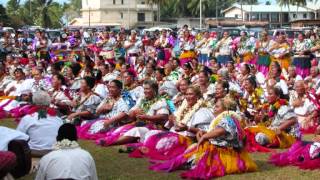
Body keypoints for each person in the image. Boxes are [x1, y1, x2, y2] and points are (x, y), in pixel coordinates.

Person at [150, 97, 257, 179]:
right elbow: (216, 132)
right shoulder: (224, 119)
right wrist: (200, 132)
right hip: (218, 149)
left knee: (194, 161)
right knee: (190, 153)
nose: (214, 107)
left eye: (217, 106)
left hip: (225, 153)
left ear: (226, 109)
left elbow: (221, 130)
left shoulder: (228, 118)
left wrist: (205, 136)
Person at [131, 86, 213, 160]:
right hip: (173, 133)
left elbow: (204, 133)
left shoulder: (203, 111)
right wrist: (170, 120)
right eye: (186, 94)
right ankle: (150, 149)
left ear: (198, 96)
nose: (188, 97)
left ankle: (152, 150)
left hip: (186, 139)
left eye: (191, 94)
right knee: (151, 134)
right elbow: (170, 126)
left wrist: (187, 128)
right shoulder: (183, 107)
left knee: (165, 142)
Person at [245, 87, 300, 152]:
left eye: (270, 94)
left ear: (277, 96)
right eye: (268, 94)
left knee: (260, 137)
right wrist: (257, 119)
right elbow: (266, 123)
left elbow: (293, 120)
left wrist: (279, 128)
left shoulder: (283, 106)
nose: (268, 96)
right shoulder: (270, 107)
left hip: (285, 136)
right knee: (248, 129)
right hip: (271, 131)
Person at [17, 91, 63, 155]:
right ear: (49, 103)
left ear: (34, 102)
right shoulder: (58, 119)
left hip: (34, 151)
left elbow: (19, 136)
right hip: (54, 151)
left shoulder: (28, 118)